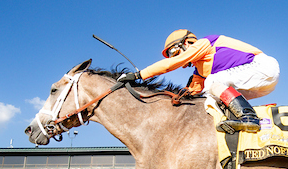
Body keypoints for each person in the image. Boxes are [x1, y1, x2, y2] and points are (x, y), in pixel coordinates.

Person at [115, 29, 279, 133]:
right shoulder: (199, 71)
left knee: (213, 81)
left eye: (174, 52)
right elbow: (191, 92)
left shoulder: (204, 43)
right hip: (260, 84)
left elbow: (171, 64)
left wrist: (138, 75)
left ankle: (249, 118)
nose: (175, 57)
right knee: (209, 97)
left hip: (263, 67)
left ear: (187, 43)